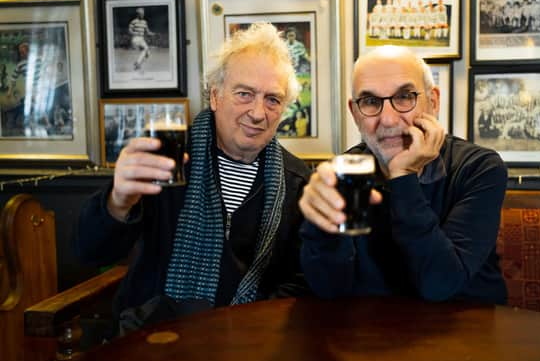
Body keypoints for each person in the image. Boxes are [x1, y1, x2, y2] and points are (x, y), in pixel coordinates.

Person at [73, 22, 311, 334]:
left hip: (251, 341)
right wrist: (118, 202)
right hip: (154, 338)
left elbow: (300, 278)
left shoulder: (297, 180)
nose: (257, 112)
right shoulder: (164, 162)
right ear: (215, 97)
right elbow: (89, 251)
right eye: (244, 94)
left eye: (272, 99)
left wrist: (254, 326)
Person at [298, 45, 508, 304]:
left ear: (433, 102)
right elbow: (330, 288)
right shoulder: (346, 173)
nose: (387, 119)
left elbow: (440, 283)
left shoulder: (478, 168)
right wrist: (320, 227)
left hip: (465, 330)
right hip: (371, 335)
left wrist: (403, 176)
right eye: (371, 102)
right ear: (354, 112)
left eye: (404, 97)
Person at [129, 7, 155, 72]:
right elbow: (129, 31)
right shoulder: (133, 21)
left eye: (143, 14)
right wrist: (136, 33)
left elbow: (147, 32)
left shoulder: (145, 22)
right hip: (136, 38)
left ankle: (138, 65)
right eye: (141, 14)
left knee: (148, 54)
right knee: (145, 49)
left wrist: (153, 34)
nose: (143, 15)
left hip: (142, 39)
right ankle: (137, 63)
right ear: (138, 14)